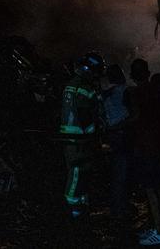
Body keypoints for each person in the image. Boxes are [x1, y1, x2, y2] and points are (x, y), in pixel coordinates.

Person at [131, 72, 160, 246]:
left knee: (151, 191)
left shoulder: (144, 97)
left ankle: (159, 232)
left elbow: (136, 119)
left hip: (150, 151)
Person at [60, 51, 104, 219]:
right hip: (80, 138)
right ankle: (73, 207)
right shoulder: (84, 87)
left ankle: (80, 204)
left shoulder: (72, 84)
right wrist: (94, 135)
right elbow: (85, 114)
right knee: (77, 172)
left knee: (79, 172)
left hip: (71, 136)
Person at [100, 64, 131, 222]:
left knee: (116, 174)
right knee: (123, 174)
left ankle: (116, 208)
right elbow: (132, 115)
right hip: (123, 136)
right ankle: (121, 210)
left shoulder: (105, 94)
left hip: (112, 137)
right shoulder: (125, 91)